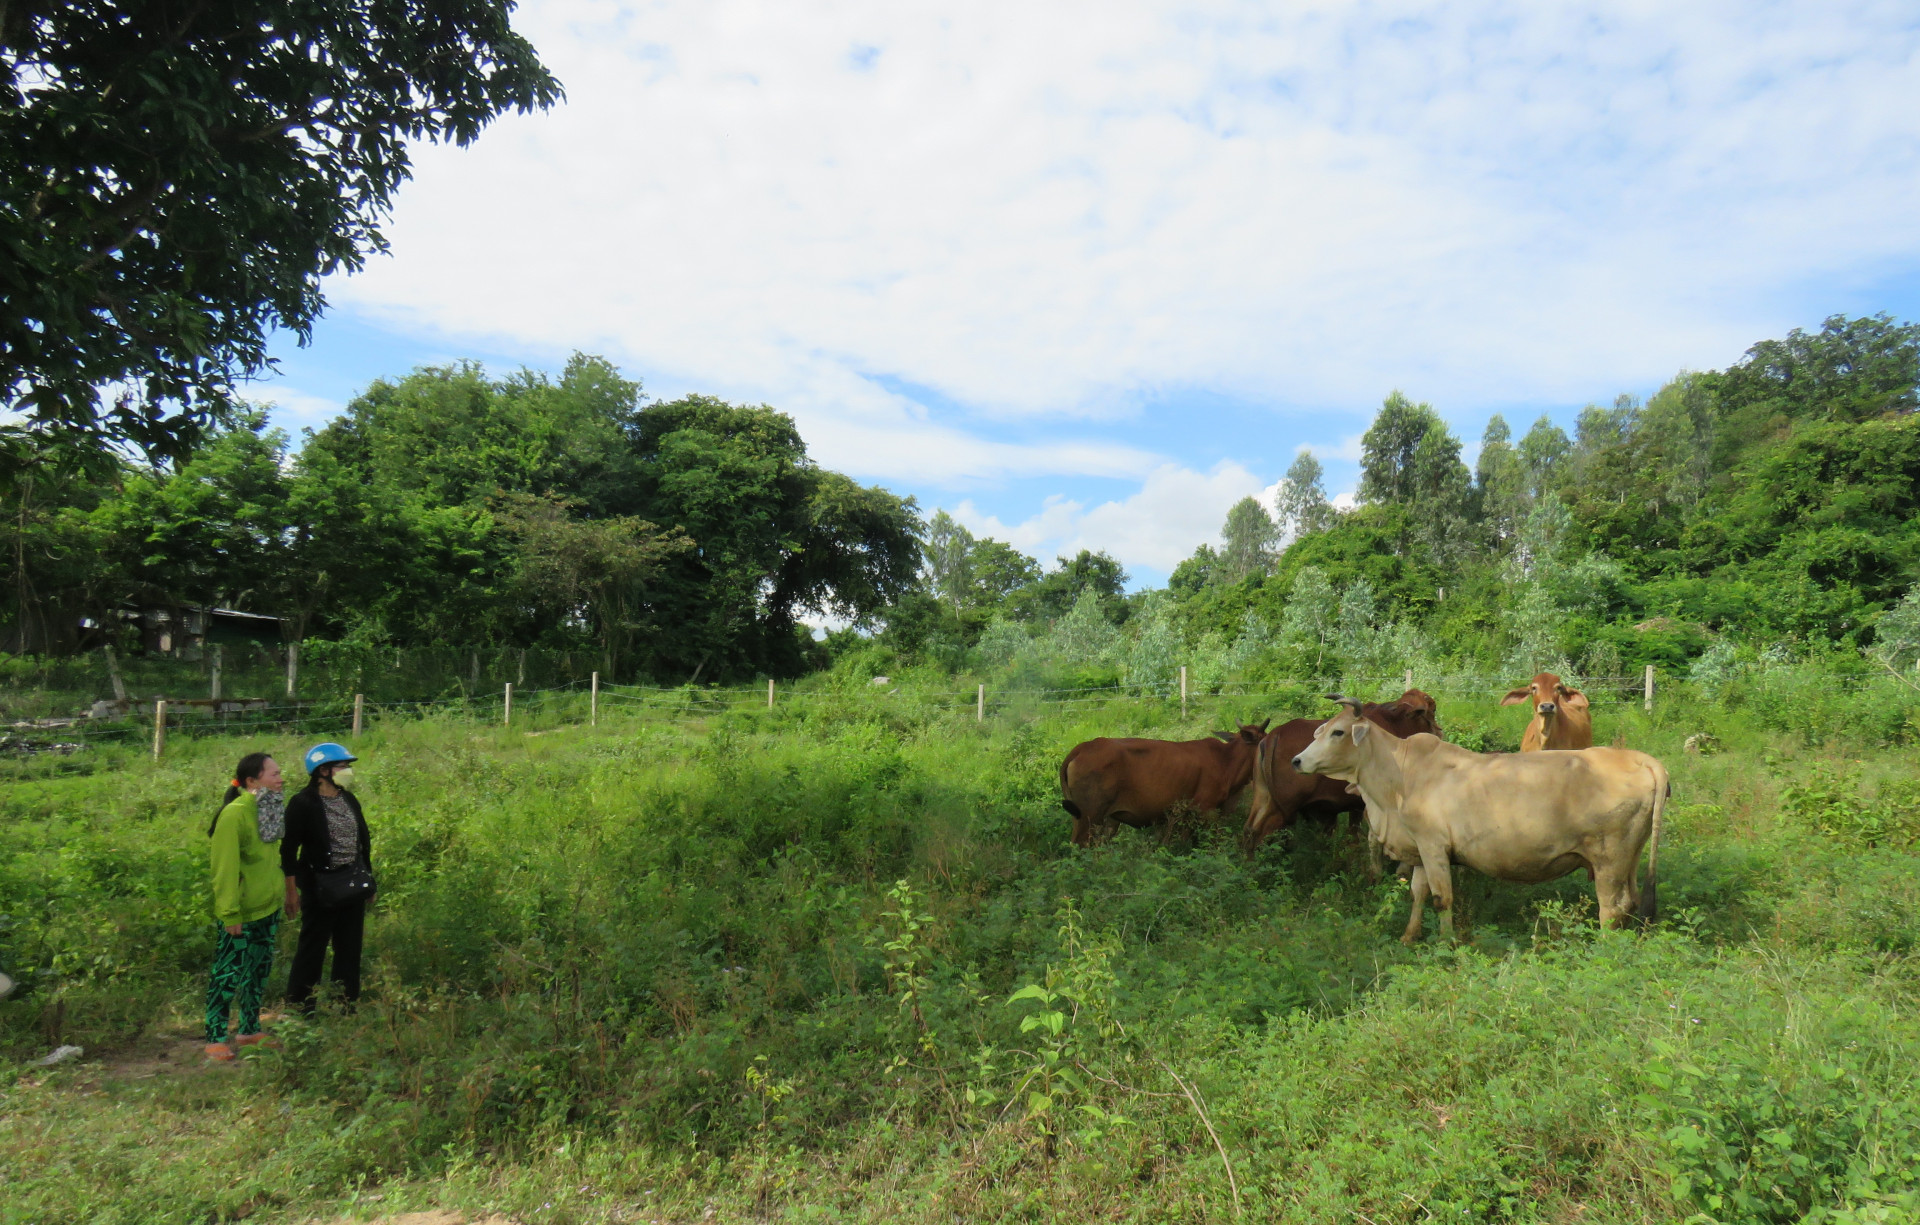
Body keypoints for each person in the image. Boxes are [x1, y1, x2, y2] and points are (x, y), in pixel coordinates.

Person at [205, 752, 288, 1061]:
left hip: (267, 907)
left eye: (280, 773)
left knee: (257, 971)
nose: (281, 779)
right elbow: (224, 868)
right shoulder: (234, 815)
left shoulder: (270, 807)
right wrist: (229, 913)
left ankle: (250, 1029)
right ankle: (215, 1036)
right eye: (274, 774)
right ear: (252, 781)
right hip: (240, 912)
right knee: (227, 974)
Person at [281, 742, 372, 1013]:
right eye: (342, 766)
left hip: (352, 884)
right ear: (323, 770)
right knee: (312, 949)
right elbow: (288, 850)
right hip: (320, 887)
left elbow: (363, 842)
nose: (347, 770)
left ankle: (345, 1006)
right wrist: (291, 890)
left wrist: (369, 879)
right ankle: (300, 1007)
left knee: (349, 949)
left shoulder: (347, 798)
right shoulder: (303, 803)